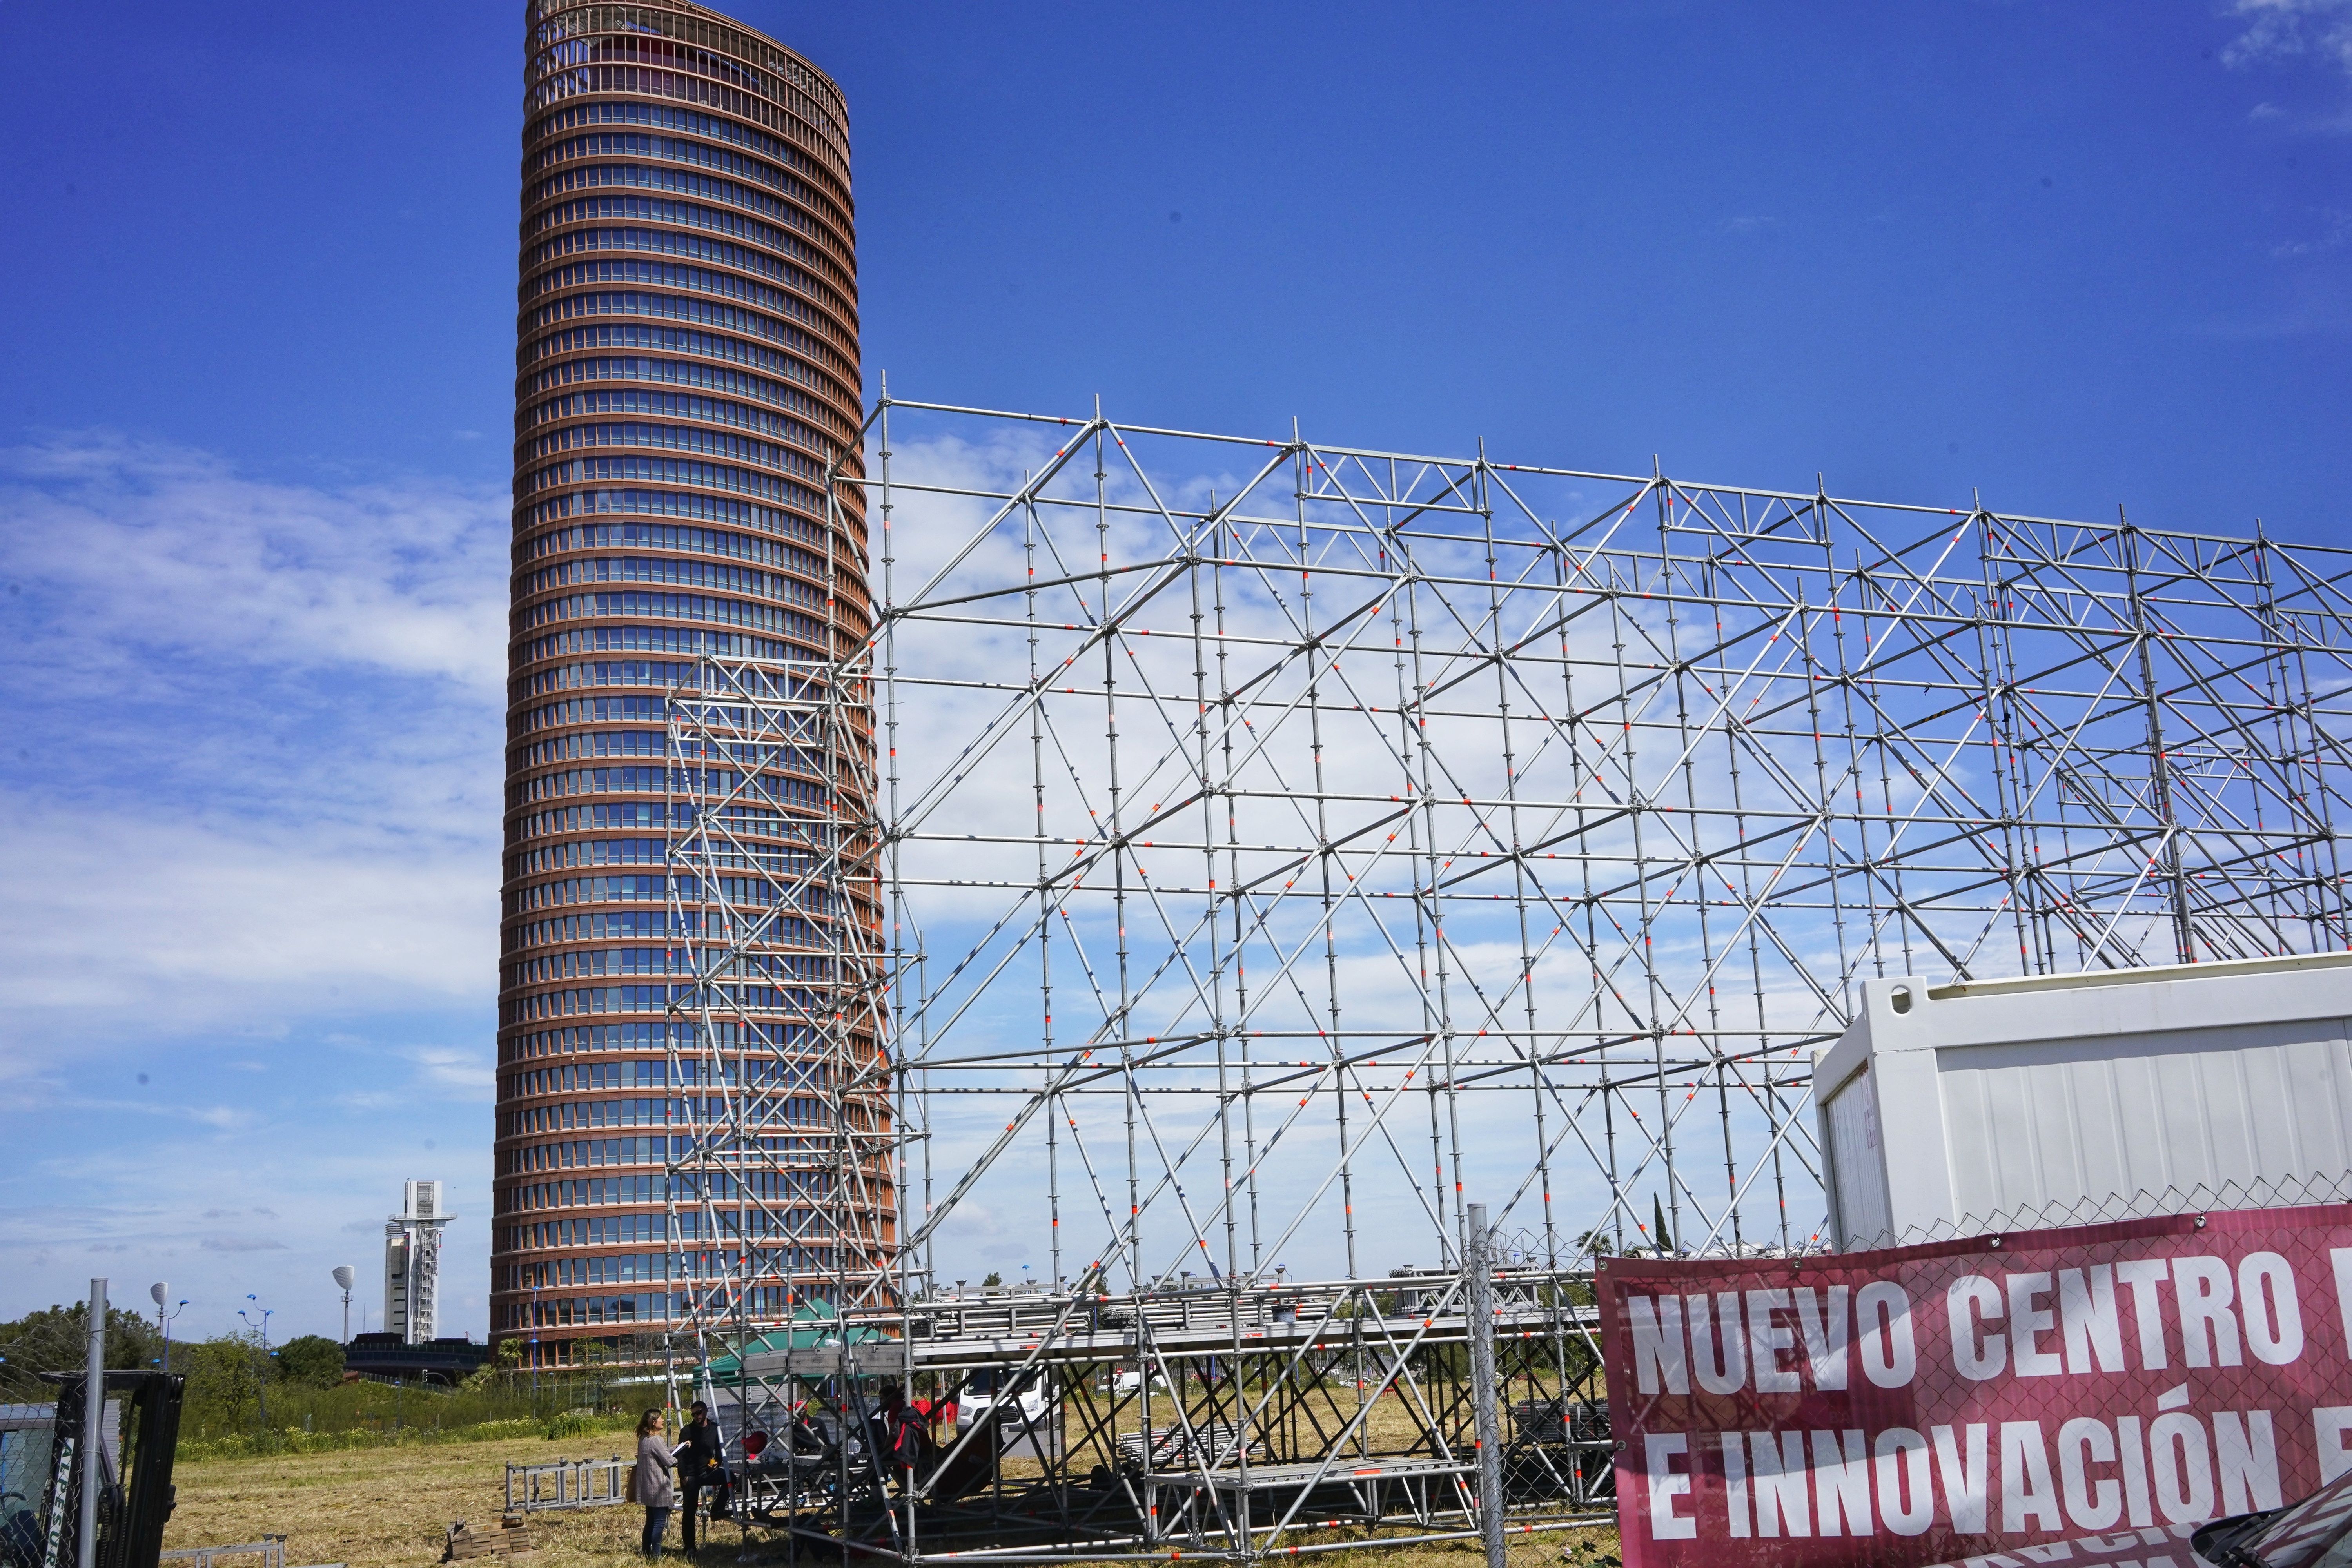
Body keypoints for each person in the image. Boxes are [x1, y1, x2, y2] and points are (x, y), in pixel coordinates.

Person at [674, 1400, 729, 1554]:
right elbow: (681, 1456)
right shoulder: (687, 1431)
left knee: (730, 1477)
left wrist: (717, 1463)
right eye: (693, 1415)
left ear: (705, 1411)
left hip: (706, 1472)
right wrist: (683, 1476)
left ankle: (717, 1509)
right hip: (691, 1475)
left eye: (698, 1413)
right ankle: (690, 1547)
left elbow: (719, 1451)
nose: (696, 1417)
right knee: (689, 1512)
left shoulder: (714, 1429)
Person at [633, 1408, 677, 1559]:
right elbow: (669, 1461)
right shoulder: (656, 1440)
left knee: (650, 1522)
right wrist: (682, 1459)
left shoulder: (644, 1439)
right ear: (653, 1422)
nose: (663, 1420)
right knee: (659, 1523)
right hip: (658, 1487)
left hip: (647, 1487)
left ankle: (646, 1552)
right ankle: (656, 1555)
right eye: (661, 1419)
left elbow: (661, 1453)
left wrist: (677, 1447)